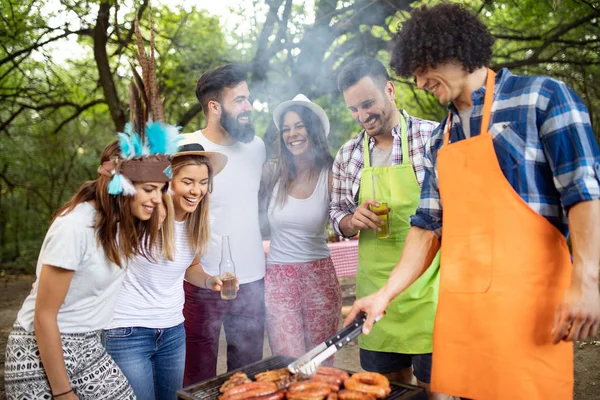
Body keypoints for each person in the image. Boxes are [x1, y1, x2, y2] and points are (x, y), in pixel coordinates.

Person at [347, 4, 600, 400]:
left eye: (422, 66)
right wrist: (384, 294)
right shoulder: (441, 137)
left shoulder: (543, 98)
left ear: (453, 49)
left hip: (530, 314)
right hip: (461, 319)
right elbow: (427, 226)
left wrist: (588, 280)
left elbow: (583, 192)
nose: (418, 79)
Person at [3, 127, 180, 400]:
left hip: (87, 343)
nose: (157, 199)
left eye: (161, 190)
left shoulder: (122, 225)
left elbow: (163, 213)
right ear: (121, 187)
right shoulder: (75, 226)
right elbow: (44, 317)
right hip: (39, 348)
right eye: (148, 189)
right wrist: (62, 392)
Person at [330, 57, 442, 397]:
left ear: (390, 90)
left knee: (435, 390)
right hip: (373, 297)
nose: (362, 116)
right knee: (388, 390)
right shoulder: (348, 154)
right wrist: (350, 221)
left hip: (431, 295)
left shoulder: (433, 136)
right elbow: (336, 213)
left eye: (368, 103)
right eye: (353, 109)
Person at [102, 134, 229, 400]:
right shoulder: (143, 214)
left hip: (173, 331)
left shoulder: (199, 223)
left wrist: (210, 281)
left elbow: (190, 266)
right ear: (167, 182)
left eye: (203, 183)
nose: (197, 191)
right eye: (187, 182)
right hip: (127, 331)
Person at [183, 63, 267, 385]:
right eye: (240, 100)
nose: (248, 107)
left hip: (252, 281)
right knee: (197, 376)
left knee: (246, 377)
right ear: (214, 106)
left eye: (249, 99)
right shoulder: (186, 148)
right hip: (200, 280)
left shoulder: (256, 148)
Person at [260, 94, 342, 360]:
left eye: (299, 126)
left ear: (313, 129)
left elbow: (345, 219)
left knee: (320, 365)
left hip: (319, 277)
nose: (292, 134)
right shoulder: (274, 174)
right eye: (286, 129)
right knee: (288, 364)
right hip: (279, 280)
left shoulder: (331, 173)